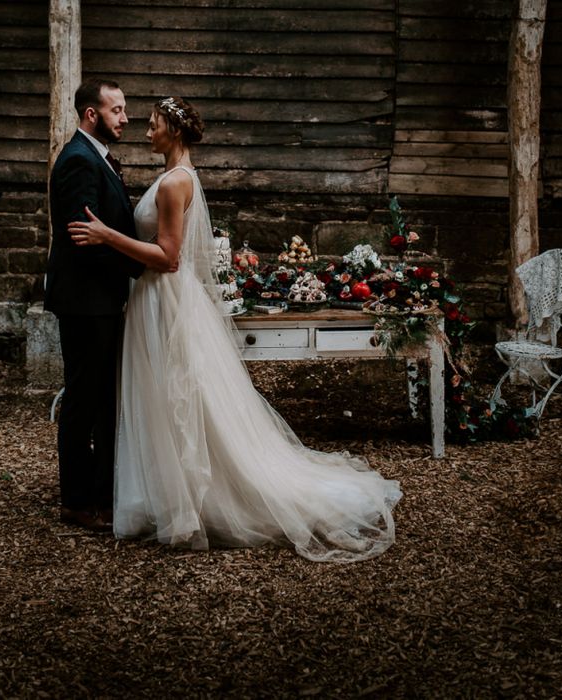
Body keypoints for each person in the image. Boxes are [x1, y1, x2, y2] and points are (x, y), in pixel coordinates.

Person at [68, 97, 402, 561]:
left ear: (175, 133)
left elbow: (168, 258)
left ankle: (190, 497)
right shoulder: (177, 177)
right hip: (157, 299)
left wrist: (108, 236)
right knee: (170, 395)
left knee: (179, 395)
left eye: (155, 125)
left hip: (163, 297)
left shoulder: (173, 184)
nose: (146, 132)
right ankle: (168, 489)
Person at [45, 79, 171, 532]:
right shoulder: (79, 161)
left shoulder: (96, 156)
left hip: (100, 297)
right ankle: (77, 501)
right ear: (91, 115)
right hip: (85, 300)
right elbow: (87, 240)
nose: (125, 118)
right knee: (84, 399)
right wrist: (145, 268)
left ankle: (102, 491)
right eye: (116, 110)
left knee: (102, 398)